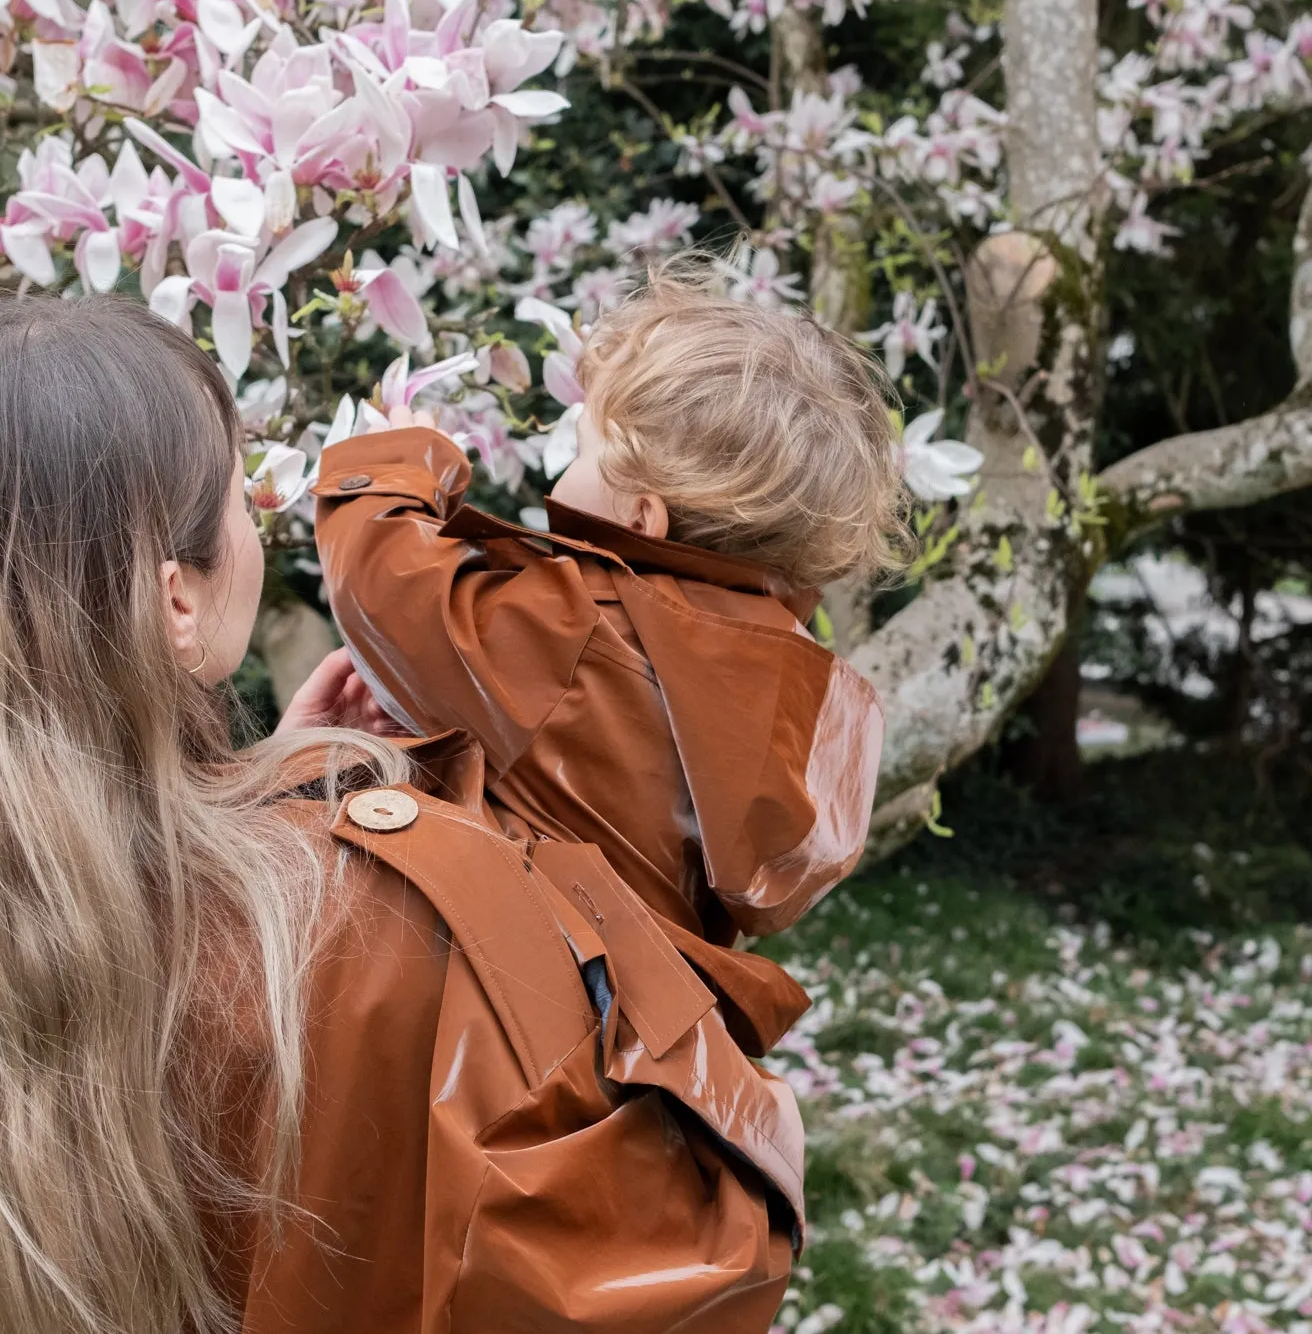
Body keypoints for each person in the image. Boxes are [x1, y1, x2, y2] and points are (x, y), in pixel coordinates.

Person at [0, 295, 795, 1334]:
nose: (259, 523)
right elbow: (673, 1269)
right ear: (176, 599)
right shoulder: (398, 912)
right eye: (239, 497)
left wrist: (263, 781)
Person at [310, 268, 906, 1052]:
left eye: (583, 445)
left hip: (507, 1019)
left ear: (641, 517)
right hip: (629, 1031)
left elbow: (388, 584)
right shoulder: (788, 688)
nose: (561, 465)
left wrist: (390, 463)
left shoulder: (583, 632)